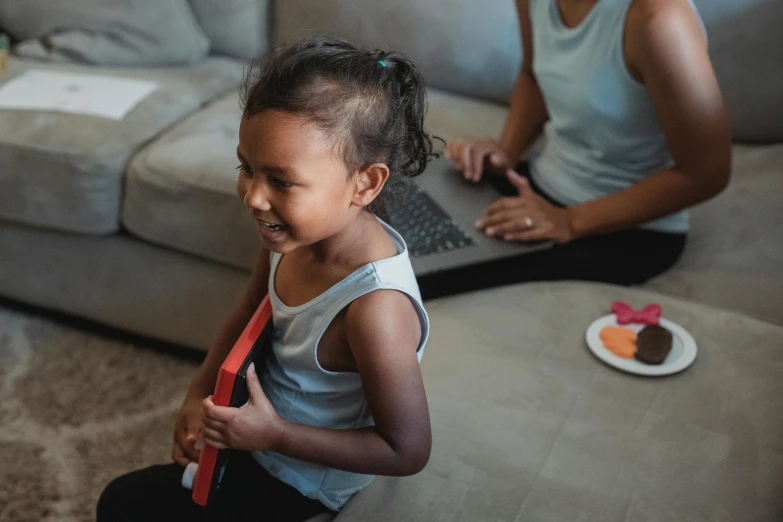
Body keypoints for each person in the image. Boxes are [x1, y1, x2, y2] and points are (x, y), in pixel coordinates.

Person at [97, 36, 435, 522]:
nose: (253, 197)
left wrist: (274, 435)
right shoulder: (291, 237)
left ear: (365, 183)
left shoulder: (376, 308)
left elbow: (406, 450)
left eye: (280, 181)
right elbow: (249, 307)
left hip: (301, 481)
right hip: (256, 437)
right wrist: (200, 393)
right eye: (246, 168)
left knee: (121, 505)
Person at [428, 0, 731, 298]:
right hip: (538, 185)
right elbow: (534, 75)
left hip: (629, 229)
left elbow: (707, 173)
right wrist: (506, 154)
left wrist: (568, 221)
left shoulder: (659, 20)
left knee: (420, 281)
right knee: (408, 215)